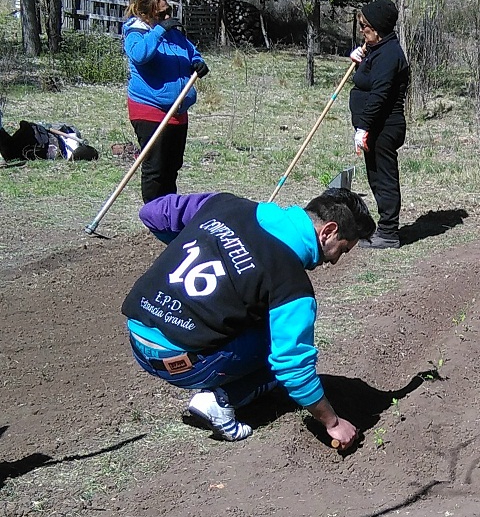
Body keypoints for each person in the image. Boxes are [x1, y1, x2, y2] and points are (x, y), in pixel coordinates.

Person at [122, 187, 376, 445]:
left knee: (257, 310)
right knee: (279, 345)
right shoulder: (291, 285)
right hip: (179, 362)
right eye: (342, 250)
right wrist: (332, 423)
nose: (334, 262)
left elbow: (152, 213)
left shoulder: (224, 204)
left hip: (136, 334)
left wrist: (198, 241)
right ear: (328, 232)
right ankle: (220, 400)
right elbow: (292, 367)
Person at [122, 0, 209, 203]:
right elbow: (140, 55)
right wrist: (158, 31)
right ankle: (153, 217)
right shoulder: (136, 33)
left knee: (172, 166)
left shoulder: (174, 33)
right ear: (145, 15)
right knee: (156, 168)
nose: (167, 17)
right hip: (149, 109)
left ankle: (168, 213)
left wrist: (197, 62)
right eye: (161, 14)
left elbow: (191, 51)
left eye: (168, 11)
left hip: (178, 109)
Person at [348, 0, 410, 249]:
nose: (362, 30)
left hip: (384, 127)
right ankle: (384, 227)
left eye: (365, 26)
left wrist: (363, 127)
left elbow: (380, 94)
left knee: (384, 178)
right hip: (374, 127)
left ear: (378, 27)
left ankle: (388, 233)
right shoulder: (377, 50)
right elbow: (365, 80)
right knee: (374, 177)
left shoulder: (389, 55)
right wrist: (359, 61)